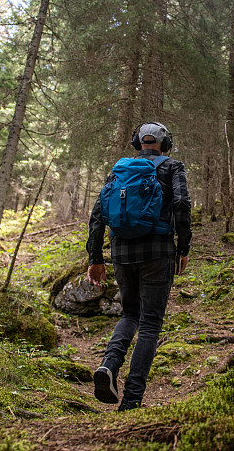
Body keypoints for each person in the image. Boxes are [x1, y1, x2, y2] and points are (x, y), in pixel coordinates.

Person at [86, 121, 192, 411]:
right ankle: (131, 400)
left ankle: (109, 365)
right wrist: (183, 247)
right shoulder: (173, 167)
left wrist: (95, 257)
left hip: (121, 252)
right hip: (157, 252)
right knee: (150, 323)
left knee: (130, 313)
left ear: (137, 143)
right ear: (165, 144)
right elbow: (182, 204)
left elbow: (98, 214)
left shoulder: (119, 170)